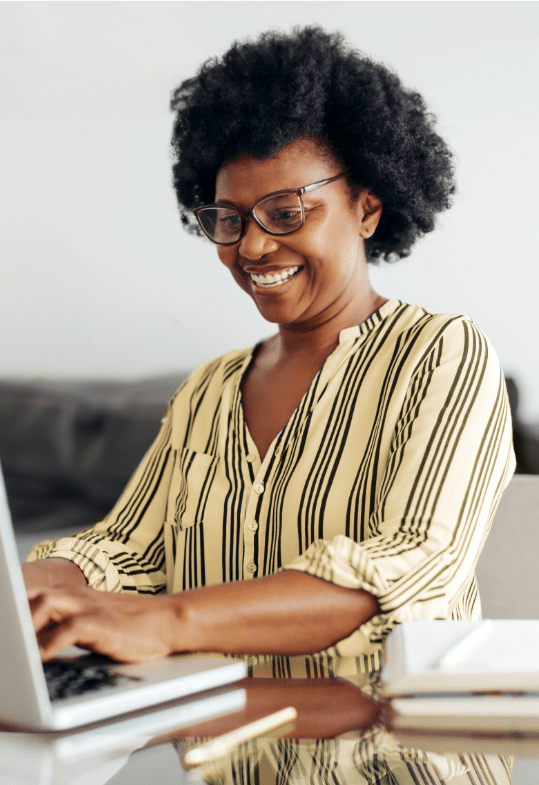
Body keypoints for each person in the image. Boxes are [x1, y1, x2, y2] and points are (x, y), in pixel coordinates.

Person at [23, 27, 515, 671]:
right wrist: (47, 584)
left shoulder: (441, 354)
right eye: (230, 219)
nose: (251, 248)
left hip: (394, 746)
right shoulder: (209, 390)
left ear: (366, 208)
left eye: (286, 212)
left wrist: (167, 622)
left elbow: (411, 561)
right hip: (229, 749)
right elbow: (127, 549)